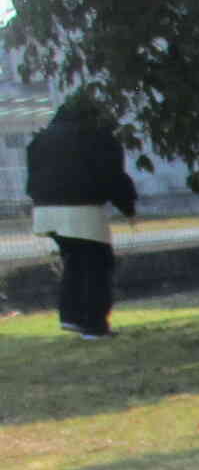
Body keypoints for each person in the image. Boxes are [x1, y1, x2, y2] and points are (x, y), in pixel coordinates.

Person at [27, 89, 138, 339]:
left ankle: (72, 316)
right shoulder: (96, 135)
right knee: (97, 265)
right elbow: (112, 175)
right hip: (81, 210)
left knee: (74, 262)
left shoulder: (43, 137)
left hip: (45, 210)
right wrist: (128, 206)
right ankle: (94, 324)